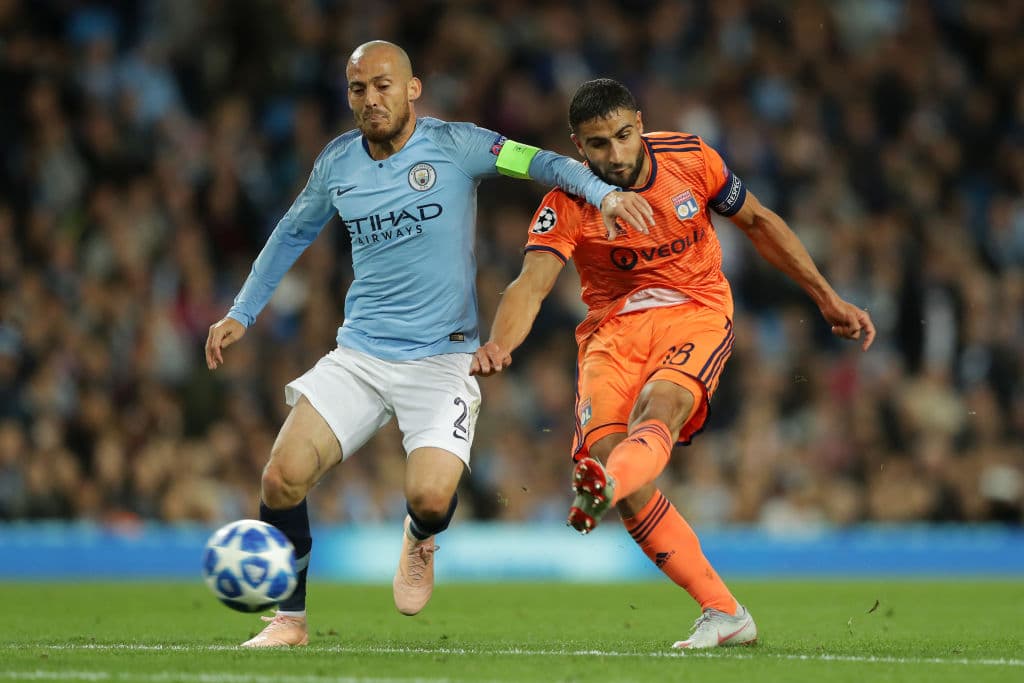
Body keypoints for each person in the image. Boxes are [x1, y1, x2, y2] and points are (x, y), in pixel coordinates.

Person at [204, 46, 653, 648]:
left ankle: (421, 536)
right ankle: (289, 619)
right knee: (280, 478)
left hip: (443, 359)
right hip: (360, 355)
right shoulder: (337, 163)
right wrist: (241, 312)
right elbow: (291, 234)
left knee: (432, 496)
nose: (371, 99)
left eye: (382, 85)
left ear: (412, 88)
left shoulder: (457, 144)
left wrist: (604, 195)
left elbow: (544, 163)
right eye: (358, 88)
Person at [471, 78, 876, 649]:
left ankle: (602, 488)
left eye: (622, 136)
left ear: (639, 122)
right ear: (576, 146)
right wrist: (500, 343)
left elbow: (758, 222)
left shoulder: (690, 157)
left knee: (659, 406)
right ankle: (723, 610)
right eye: (597, 145)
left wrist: (827, 297)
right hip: (611, 333)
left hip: (696, 310)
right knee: (615, 459)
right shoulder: (565, 201)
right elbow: (530, 285)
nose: (614, 155)